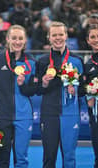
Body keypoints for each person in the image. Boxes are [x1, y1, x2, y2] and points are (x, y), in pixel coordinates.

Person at [0, 25, 37, 168]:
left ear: (25, 40)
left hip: (24, 116)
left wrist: (22, 85)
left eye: (20, 38)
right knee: (2, 158)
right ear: (8, 39)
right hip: (2, 116)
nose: (17, 41)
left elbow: (32, 91)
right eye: (14, 38)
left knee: (21, 159)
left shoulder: (32, 62)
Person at [36, 21, 84, 168]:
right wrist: (43, 82)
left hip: (70, 113)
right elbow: (37, 90)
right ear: (48, 37)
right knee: (49, 157)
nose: (58, 38)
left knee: (69, 157)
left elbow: (83, 89)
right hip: (49, 113)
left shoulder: (77, 61)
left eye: (61, 34)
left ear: (66, 36)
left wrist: (75, 89)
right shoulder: (42, 61)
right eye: (54, 35)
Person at [84, 25, 98, 168]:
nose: (96, 40)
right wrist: (88, 96)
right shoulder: (88, 64)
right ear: (88, 41)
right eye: (93, 37)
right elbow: (84, 86)